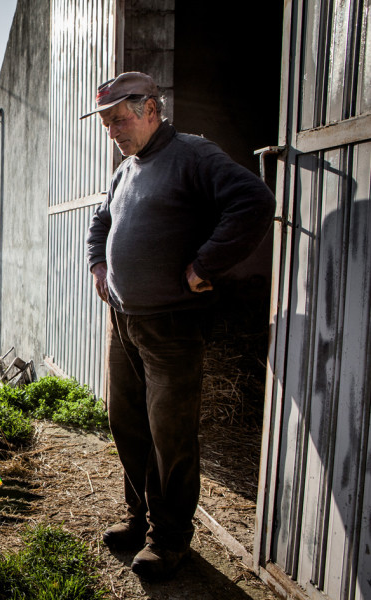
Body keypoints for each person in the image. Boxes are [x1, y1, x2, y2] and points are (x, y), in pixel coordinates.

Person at [82, 72, 275, 580]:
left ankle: (169, 541)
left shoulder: (192, 154)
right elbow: (100, 223)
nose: (113, 131)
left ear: (151, 109)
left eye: (119, 119)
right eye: (106, 123)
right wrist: (99, 265)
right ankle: (138, 518)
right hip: (122, 320)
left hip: (170, 326)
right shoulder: (126, 170)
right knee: (126, 424)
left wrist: (206, 264)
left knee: (171, 436)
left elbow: (252, 201)